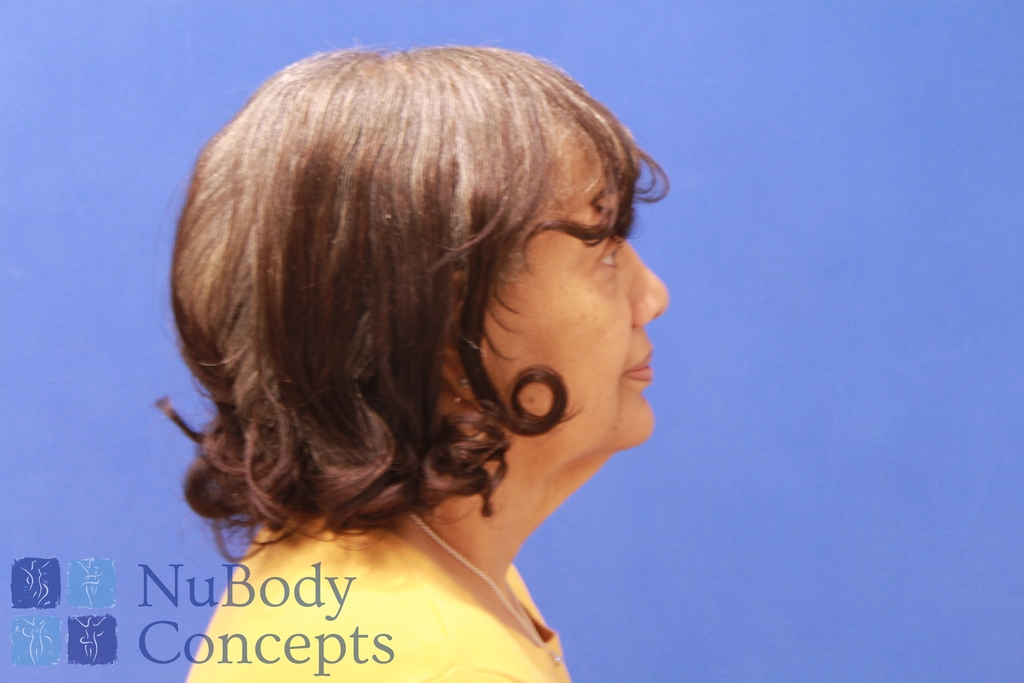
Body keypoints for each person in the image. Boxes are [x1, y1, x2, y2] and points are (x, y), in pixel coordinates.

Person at [165, 46, 669, 683]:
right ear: (440, 324)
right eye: (602, 251)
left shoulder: (384, 569)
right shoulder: (442, 662)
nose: (653, 297)